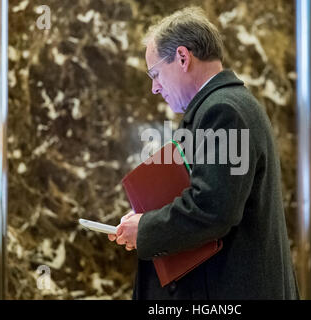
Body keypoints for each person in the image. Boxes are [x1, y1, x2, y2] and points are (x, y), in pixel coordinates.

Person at [108, 6, 299, 300]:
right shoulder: (223, 104)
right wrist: (148, 217)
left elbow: (213, 208)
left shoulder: (222, 110)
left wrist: (147, 228)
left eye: (156, 74)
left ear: (183, 57)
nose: (154, 88)